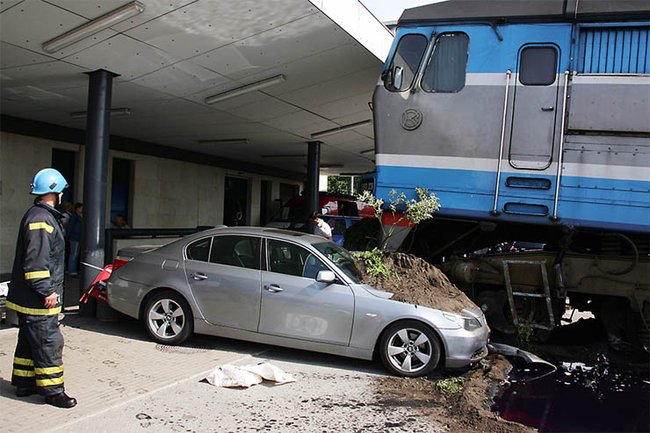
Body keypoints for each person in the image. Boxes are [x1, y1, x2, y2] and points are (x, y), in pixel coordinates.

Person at [6, 168, 77, 408]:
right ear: (54, 191)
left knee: (28, 340)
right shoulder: (41, 219)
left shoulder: (41, 216)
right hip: (39, 298)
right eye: (60, 191)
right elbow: (36, 262)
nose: (62, 195)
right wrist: (47, 290)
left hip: (28, 297)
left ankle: (24, 384)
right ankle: (53, 391)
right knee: (49, 341)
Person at [66, 202, 83, 276]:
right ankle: (72, 270)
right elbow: (70, 227)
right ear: (78, 208)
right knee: (74, 254)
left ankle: (73, 269)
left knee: (75, 254)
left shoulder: (80, 216)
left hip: (78, 237)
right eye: (81, 208)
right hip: (75, 237)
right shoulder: (74, 217)